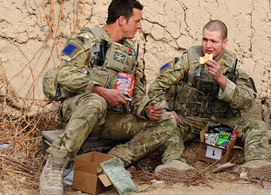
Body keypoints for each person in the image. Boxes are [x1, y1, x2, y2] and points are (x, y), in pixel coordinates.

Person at [39, 0, 180, 194]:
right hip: (81, 111)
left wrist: (147, 110)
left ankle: (114, 161)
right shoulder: (89, 38)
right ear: (122, 20)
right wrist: (100, 90)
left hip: (111, 120)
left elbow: (136, 93)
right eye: (137, 20)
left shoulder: (130, 53)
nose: (140, 26)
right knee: (96, 101)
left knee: (168, 120)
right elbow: (65, 74)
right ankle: (55, 164)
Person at [148, 20, 271, 182]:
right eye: (205, 39)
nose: (208, 45)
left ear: (224, 43)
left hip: (221, 124)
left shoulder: (232, 66)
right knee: (167, 125)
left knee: (256, 125)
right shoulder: (189, 60)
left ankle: (256, 163)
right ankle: (175, 164)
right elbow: (156, 87)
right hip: (188, 121)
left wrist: (222, 80)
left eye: (214, 41)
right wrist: (165, 111)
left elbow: (248, 100)